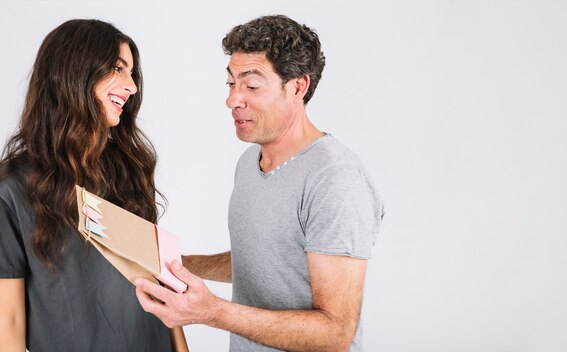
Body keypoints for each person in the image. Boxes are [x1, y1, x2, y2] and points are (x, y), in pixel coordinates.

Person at [135, 15, 384, 351]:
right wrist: (177, 265)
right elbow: (265, 262)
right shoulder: (249, 163)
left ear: (297, 87)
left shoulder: (335, 180)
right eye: (230, 84)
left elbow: (334, 333)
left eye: (251, 86)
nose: (233, 100)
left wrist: (213, 312)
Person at [0, 19, 186, 351]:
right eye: (118, 68)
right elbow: (9, 322)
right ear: (75, 74)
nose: (132, 86)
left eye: (131, 72)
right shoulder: (11, 191)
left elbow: (162, 283)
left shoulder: (131, 169)